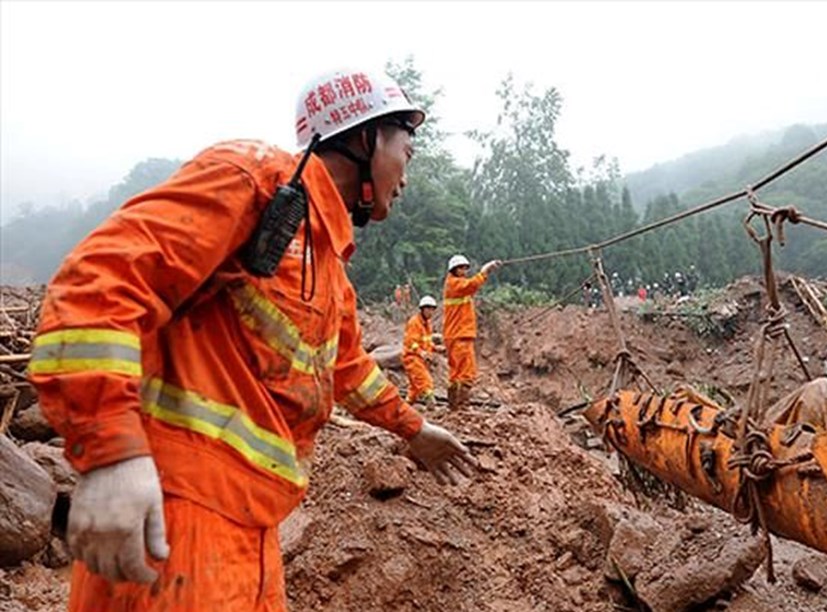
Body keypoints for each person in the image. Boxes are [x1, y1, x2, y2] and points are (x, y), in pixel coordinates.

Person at [28, 68, 477, 611]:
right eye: (407, 150)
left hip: (254, 530)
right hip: (179, 515)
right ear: (366, 137)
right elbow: (95, 287)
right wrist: (111, 455)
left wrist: (416, 430)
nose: (407, 175)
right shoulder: (254, 183)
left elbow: (347, 369)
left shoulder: (328, 264)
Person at [443, 254, 501, 410]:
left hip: (454, 335)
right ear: (453, 269)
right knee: (466, 372)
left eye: (465, 268)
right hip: (460, 335)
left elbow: (470, 286)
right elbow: (473, 284)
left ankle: (454, 406)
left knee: (455, 374)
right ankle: (462, 406)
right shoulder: (455, 285)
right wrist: (485, 270)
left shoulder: (454, 284)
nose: (464, 271)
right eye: (461, 268)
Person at [403, 295, 443, 408]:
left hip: (421, 359)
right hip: (412, 358)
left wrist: (435, 348)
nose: (431, 312)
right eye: (428, 309)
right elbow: (412, 342)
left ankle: (406, 406)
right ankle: (431, 405)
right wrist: (422, 353)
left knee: (414, 387)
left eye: (432, 309)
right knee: (425, 381)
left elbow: (427, 341)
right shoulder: (414, 322)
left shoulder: (428, 324)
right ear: (422, 309)